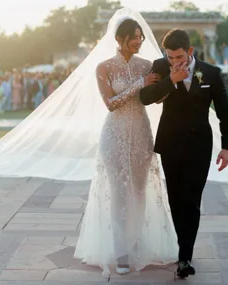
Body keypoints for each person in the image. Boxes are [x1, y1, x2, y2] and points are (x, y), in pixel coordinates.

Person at [74, 18, 178, 276]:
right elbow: (110, 103)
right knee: (119, 194)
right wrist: (138, 85)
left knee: (140, 192)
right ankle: (121, 252)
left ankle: (136, 244)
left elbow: (152, 98)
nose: (139, 40)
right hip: (114, 135)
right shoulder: (104, 68)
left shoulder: (147, 65)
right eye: (134, 36)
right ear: (120, 38)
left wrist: (166, 87)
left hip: (141, 134)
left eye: (141, 36)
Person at [140, 29, 228, 278]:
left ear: (190, 51)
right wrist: (170, 79)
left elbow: (224, 110)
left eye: (179, 56)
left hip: (199, 146)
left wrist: (227, 146)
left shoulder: (210, 72)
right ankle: (183, 249)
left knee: (191, 201)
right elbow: (145, 98)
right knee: (175, 199)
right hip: (170, 144)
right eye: (170, 57)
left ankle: (185, 257)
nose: (174, 61)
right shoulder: (160, 66)